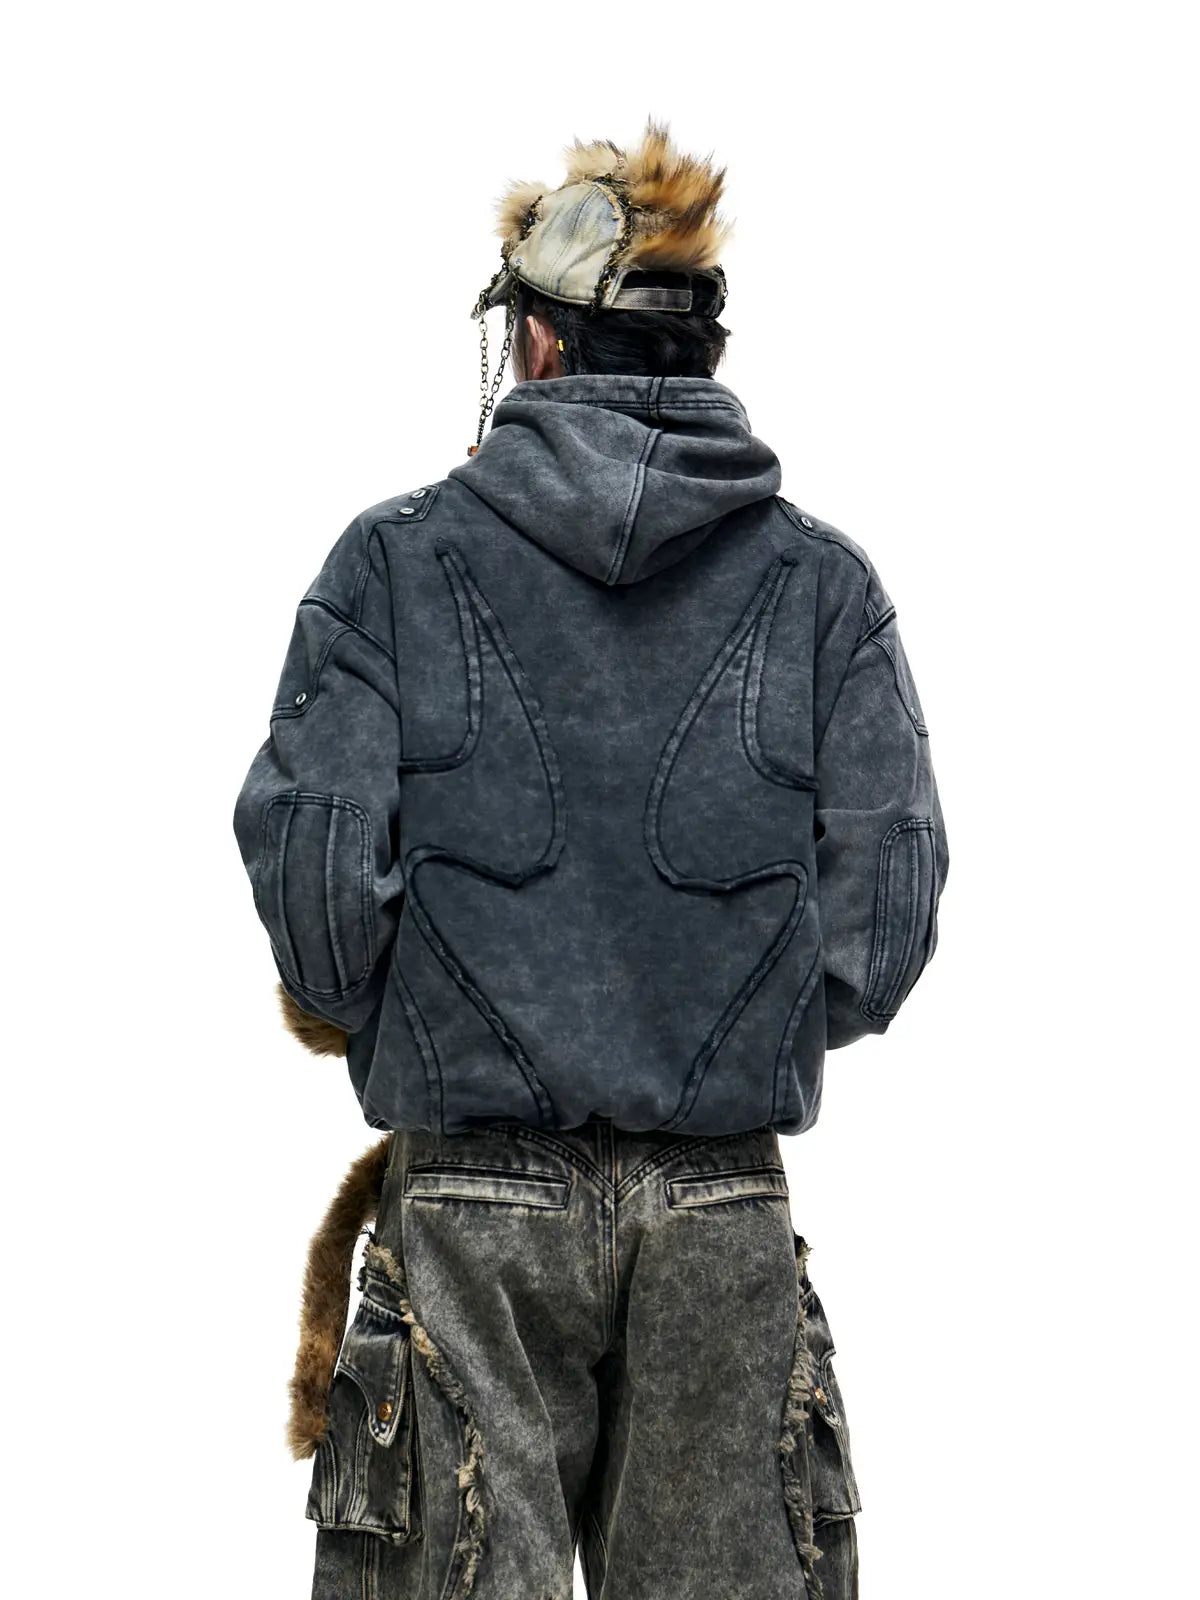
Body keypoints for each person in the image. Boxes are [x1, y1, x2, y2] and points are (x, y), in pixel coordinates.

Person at [232, 114, 949, 1600]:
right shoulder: (823, 586)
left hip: (469, 1208)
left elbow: (317, 897)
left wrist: (440, 1015)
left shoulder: (392, 565)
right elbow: (882, 924)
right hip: (720, 1211)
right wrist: (718, 1022)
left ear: (541, 346)